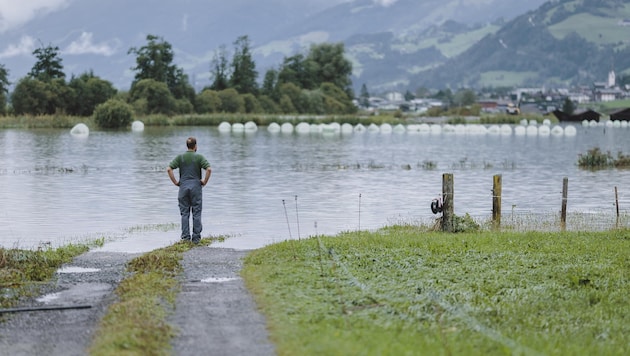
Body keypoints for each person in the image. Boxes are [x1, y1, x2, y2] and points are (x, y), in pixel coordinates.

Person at [167, 137, 212, 243]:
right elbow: (209, 169)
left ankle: (185, 238)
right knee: (196, 213)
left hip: (183, 188)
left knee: (184, 213)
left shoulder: (180, 157)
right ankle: (196, 238)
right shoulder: (199, 157)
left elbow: (169, 169)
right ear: (195, 146)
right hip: (196, 188)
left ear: (187, 146)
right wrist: (204, 181)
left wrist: (176, 182)